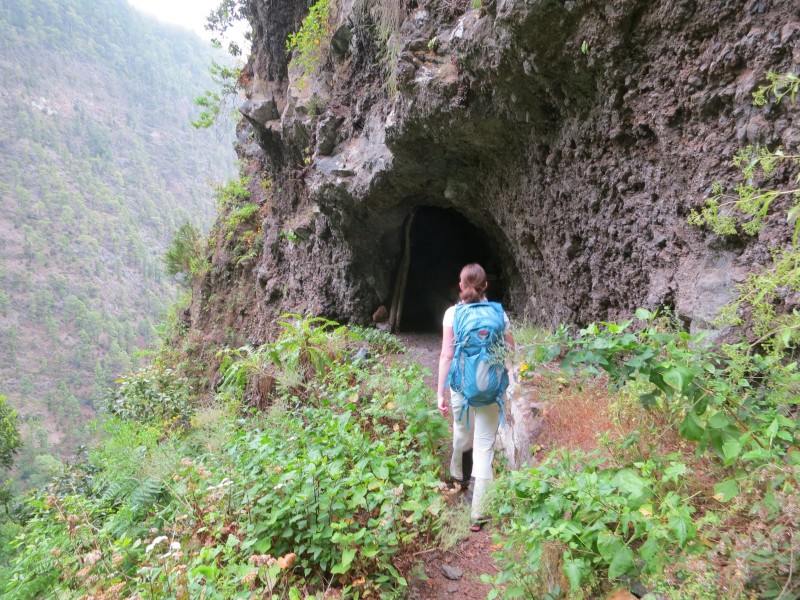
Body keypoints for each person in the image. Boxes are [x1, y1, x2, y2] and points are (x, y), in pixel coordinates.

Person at [436, 263, 514, 532]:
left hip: (462, 389)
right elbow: (511, 351)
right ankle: (478, 512)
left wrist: (440, 393)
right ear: (485, 286)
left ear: (461, 286)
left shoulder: (452, 314)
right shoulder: (499, 314)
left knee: (461, 432)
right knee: (484, 448)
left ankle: (458, 476)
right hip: (491, 392)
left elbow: (446, 355)